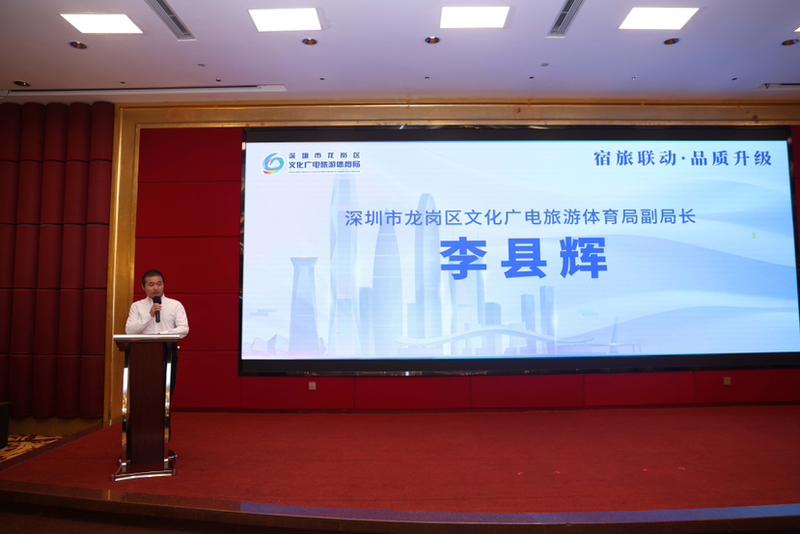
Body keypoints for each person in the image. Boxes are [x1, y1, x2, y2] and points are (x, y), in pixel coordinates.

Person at [125, 270, 189, 404]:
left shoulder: (175, 305)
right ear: (143, 287)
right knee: (144, 390)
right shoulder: (137, 306)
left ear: (163, 285)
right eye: (151, 284)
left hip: (168, 351)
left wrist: (161, 335)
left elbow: (184, 329)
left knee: (166, 391)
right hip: (142, 354)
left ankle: (163, 415)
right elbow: (129, 330)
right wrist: (149, 316)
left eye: (159, 284)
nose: (156, 288)